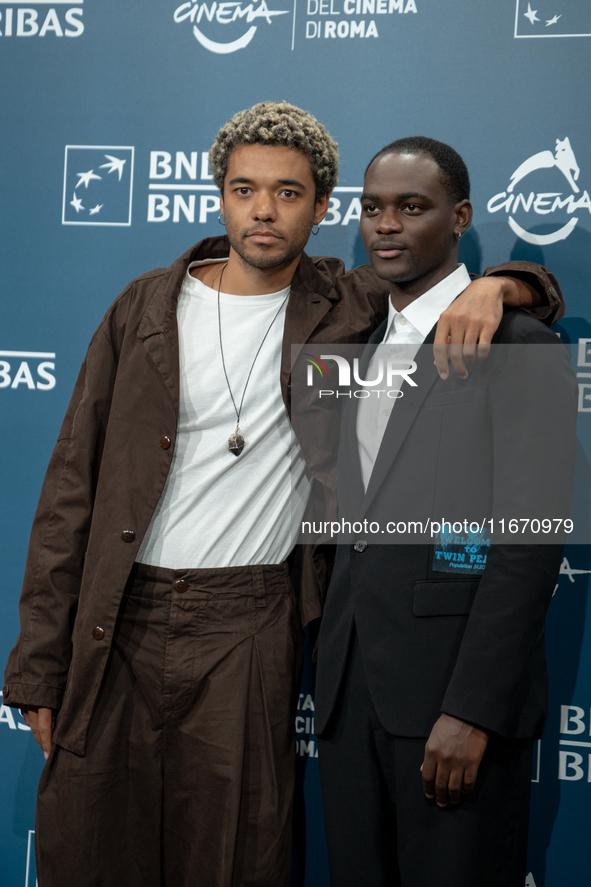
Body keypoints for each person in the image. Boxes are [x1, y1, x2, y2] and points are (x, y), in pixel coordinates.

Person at [3, 106, 564, 887]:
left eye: (289, 193)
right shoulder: (142, 308)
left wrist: (507, 283)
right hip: (118, 617)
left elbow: (440, 282)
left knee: (235, 854)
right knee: (92, 844)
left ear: (320, 208)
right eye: (244, 189)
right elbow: (70, 488)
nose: (264, 210)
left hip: (251, 621)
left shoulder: (343, 301)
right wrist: (38, 663)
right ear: (219, 196)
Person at [313, 137, 578, 887]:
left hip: (451, 711)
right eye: (371, 208)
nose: (385, 224)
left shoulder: (517, 342)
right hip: (346, 698)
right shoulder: (352, 344)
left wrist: (472, 711)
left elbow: (529, 544)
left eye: (410, 206)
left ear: (458, 216)